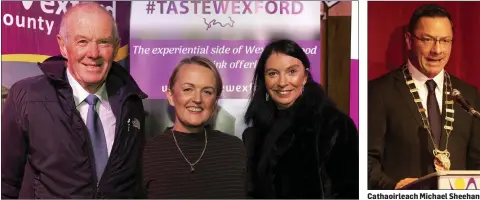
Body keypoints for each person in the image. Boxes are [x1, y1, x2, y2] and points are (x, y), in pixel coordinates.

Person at [1, 3, 147, 198]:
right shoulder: (27, 96)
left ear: (116, 47)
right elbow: (5, 183)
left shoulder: (131, 102)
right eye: (82, 41)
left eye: (104, 42)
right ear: (63, 46)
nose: (93, 53)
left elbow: (133, 184)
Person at [368, 4, 480, 190]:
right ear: (409, 40)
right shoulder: (379, 92)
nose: (437, 50)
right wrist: (394, 186)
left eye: (445, 41)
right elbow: (366, 160)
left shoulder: (468, 95)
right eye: (428, 39)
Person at [242, 39, 359, 198]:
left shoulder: (334, 124)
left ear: (305, 76)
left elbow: (350, 190)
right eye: (273, 73)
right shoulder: (256, 132)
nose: (282, 82)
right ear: (264, 80)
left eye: (292, 72)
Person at [142, 56, 246, 199]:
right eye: (188, 89)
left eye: (207, 91)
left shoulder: (235, 149)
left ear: (215, 102)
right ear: (171, 96)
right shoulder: (148, 152)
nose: (197, 99)